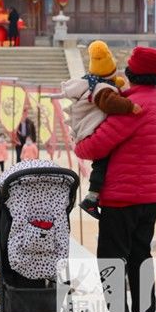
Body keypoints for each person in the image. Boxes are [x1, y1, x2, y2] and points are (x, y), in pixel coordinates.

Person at [74, 46, 156, 312]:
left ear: (130, 73)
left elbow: (93, 147)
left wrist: (78, 140)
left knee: (111, 256)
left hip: (122, 195)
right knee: (140, 254)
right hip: (151, 195)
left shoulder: (133, 107)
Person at [55, 40, 141, 219]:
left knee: (101, 164)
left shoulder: (93, 82)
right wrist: (130, 106)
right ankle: (91, 198)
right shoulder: (102, 90)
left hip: (86, 133)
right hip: (89, 133)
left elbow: (109, 86)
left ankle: (95, 196)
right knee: (101, 165)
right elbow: (110, 102)